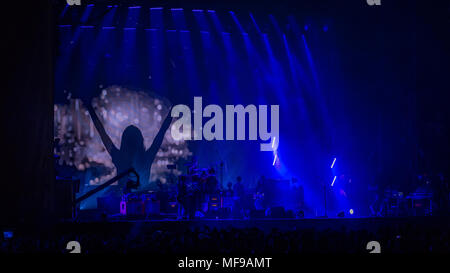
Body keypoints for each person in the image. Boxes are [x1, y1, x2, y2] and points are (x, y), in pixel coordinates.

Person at [82, 96, 173, 194]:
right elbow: (162, 132)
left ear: (124, 141)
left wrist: (90, 108)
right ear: (140, 140)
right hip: (143, 202)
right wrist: (173, 109)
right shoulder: (147, 157)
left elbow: (102, 132)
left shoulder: (118, 157)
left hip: (122, 202)